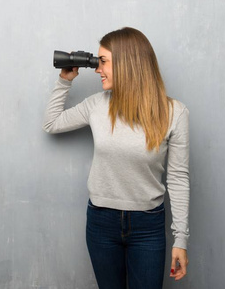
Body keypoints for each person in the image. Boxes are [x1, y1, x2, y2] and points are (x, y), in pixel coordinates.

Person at [42, 27, 189, 289]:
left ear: (127, 62)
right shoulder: (97, 105)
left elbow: (178, 178)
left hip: (148, 226)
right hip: (101, 222)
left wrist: (181, 240)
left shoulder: (174, 112)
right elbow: (51, 124)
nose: (98, 69)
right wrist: (65, 80)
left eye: (104, 62)